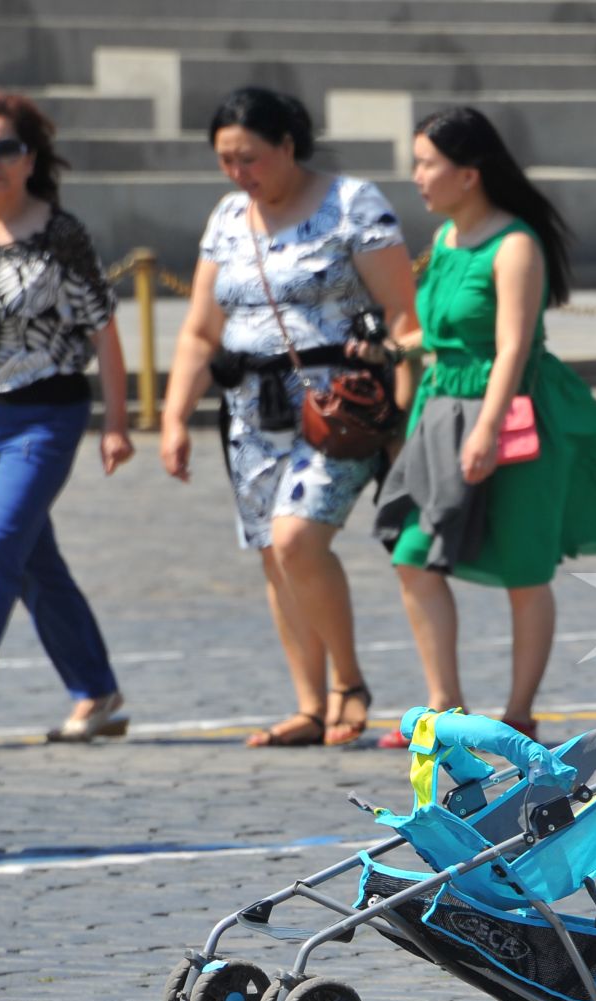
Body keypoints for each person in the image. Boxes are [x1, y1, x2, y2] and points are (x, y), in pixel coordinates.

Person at [158, 87, 417, 747]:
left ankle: (349, 684)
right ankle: (307, 702)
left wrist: (408, 407)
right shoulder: (226, 218)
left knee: (298, 537)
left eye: (250, 158)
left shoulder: (352, 204)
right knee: (273, 553)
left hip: (338, 405)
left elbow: (401, 315)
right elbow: (198, 329)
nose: (239, 174)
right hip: (249, 409)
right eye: (225, 160)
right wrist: (173, 415)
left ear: (288, 146)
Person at [369, 107, 596, 746]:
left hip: (512, 418)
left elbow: (510, 346)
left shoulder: (515, 245)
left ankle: (518, 713)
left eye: (427, 163)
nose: (417, 177)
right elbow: (450, 333)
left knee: (524, 567)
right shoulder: (448, 241)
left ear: (469, 173)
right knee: (413, 556)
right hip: (441, 406)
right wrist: (395, 352)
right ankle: (444, 707)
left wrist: (485, 430)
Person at [0, 92, 133, 743]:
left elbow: (104, 330)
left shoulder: (61, 233)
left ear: (31, 157)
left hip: (44, 414)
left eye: (5, 148)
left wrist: (117, 422)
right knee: (30, 558)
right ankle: (97, 691)